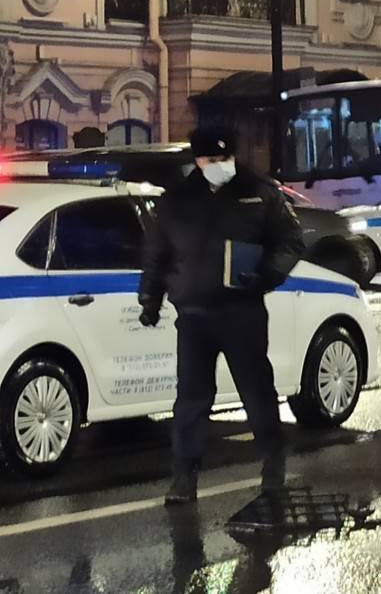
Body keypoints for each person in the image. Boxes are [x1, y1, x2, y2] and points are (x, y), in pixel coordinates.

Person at [139, 125, 305, 505]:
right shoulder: (177, 200)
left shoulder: (259, 192)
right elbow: (156, 253)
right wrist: (150, 298)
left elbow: (290, 241)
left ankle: (273, 465)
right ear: (197, 161)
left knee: (257, 392)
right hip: (194, 314)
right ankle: (184, 477)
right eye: (211, 159)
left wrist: (265, 275)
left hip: (241, 311)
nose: (220, 165)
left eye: (225, 158)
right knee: (191, 398)